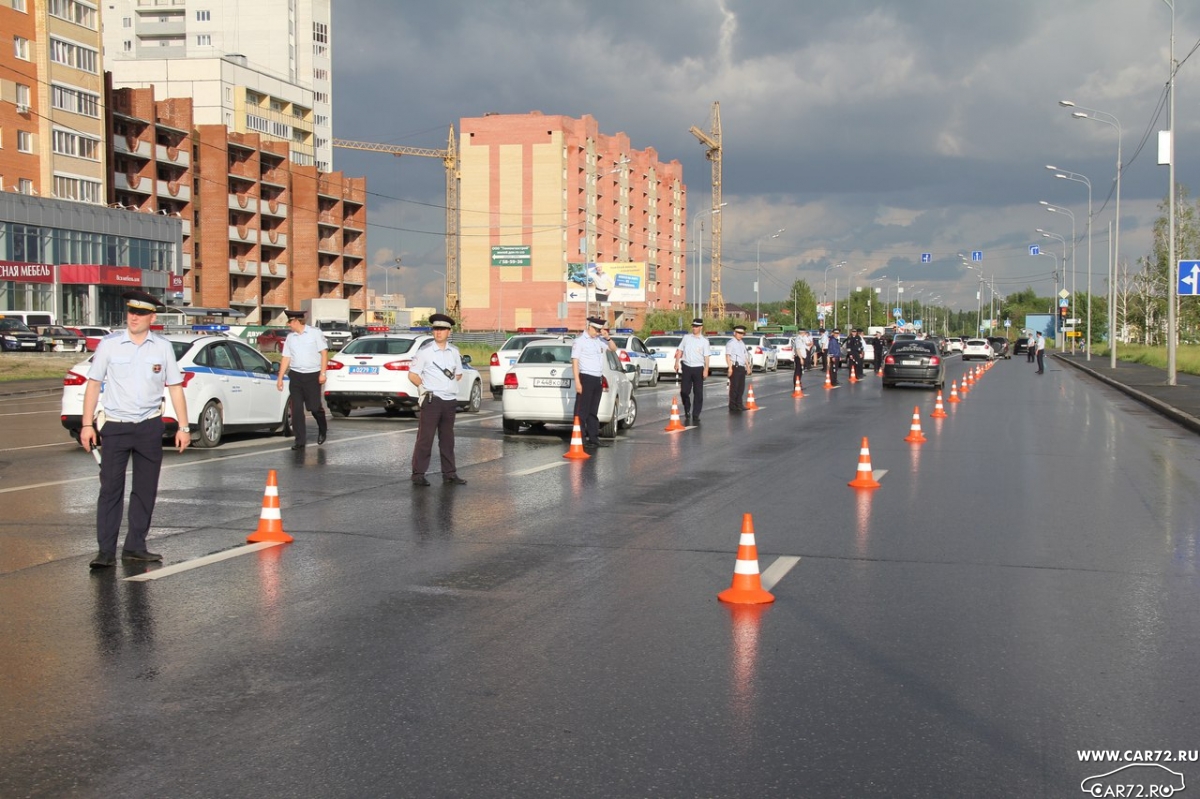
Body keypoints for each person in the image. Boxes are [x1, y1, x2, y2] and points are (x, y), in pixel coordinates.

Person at [80, 290, 190, 568]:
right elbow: (93, 384)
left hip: (149, 427)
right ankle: (105, 551)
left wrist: (184, 427)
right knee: (111, 489)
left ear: (152, 317)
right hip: (116, 426)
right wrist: (86, 424)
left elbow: (175, 387)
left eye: (140, 314)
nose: (134, 317)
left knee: (145, 490)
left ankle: (135, 546)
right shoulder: (110, 345)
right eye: (131, 312)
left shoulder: (162, 347)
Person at [409, 313, 466, 485]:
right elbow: (413, 375)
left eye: (442, 329)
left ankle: (449, 473)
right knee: (425, 438)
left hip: (449, 401)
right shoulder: (425, 352)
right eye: (436, 329)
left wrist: (446, 385)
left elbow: (459, 374)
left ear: (449, 332)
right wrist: (423, 388)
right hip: (432, 400)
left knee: (447, 439)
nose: (438, 332)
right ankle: (418, 474)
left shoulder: (454, 352)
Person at [276, 309, 329, 449]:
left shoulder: (314, 332)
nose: (288, 325)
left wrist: (323, 373)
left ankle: (322, 428)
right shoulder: (290, 338)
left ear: (296, 321)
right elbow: (286, 357)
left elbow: (324, 353)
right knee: (297, 410)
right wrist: (280, 378)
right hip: (296, 376)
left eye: (289, 322)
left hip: (313, 375)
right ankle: (300, 441)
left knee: (314, 407)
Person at [571, 316, 618, 447]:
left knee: (593, 411)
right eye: (596, 330)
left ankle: (594, 438)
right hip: (585, 378)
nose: (598, 332)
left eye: (600, 330)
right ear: (589, 327)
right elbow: (575, 362)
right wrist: (577, 382)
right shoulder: (580, 341)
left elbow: (613, 348)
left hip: (597, 379)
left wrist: (607, 338)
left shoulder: (599, 340)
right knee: (582, 411)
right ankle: (580, 439)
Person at [674, 318, 709, 425]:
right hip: (687, 367)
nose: (694, 328)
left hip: (698, 368)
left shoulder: (704, 341)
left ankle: (696, 414)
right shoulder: (686, 338)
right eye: (693, 326)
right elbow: (680, 350)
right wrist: (676, 362)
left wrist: (706, 369)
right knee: (684, 391)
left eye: (696, 326)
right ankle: (687, 407)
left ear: (701, 327)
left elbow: (706, 356)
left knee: (698, 392)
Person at [726, 325, 750, 411]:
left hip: (741, 367)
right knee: (734, 387)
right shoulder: (731, 343)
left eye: (742, 333)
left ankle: (739, 404)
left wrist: (748, 366)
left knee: (741, 387)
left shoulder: (742, 343)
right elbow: (728, 356)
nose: (741, 335)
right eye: (739, 333)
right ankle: (732, 405)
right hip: (734, 366)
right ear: (734, 333)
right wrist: (729, 368)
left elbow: (744, 356)